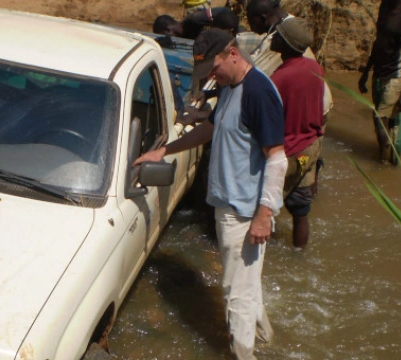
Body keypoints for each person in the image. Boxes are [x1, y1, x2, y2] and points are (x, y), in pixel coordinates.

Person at [134, 29, 286, 360]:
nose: (211, 77)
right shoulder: (231, 87)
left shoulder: (258, 92)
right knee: (247, 286)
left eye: (214, 69)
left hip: (245, 213)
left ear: (233, 53)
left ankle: (244, 355)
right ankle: (266, 339)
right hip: (228, 205)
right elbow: (212, 128)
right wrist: (166, 151)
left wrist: (264, 215)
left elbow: (277, 158)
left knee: (235, 294)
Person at [241, 0, 333, 195]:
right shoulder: (312, 64)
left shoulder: (281, 73)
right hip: (311, 134)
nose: (274, 38)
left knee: (269, 202)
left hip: (294, 140)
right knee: (301, 199)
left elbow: (268, 111)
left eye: (279, 37)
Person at [268, 17, 325, 250]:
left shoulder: (279, 78)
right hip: (310, 147)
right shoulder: (314, 68)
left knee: (262, 206)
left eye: (278, 35)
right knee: (300, 211)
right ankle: (299, 255)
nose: (273, 37)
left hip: (289, 151)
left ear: (287, 44)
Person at [358, 0, 401, 165]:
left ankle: (384, 164)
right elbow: (379, 42)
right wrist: (366, 72)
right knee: (386, 122)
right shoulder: (385, 5)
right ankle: (389, 158)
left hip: (396, 76)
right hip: (379, 73)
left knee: (380, 119)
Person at [152, 7, 240, 40]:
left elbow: (225, 12)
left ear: (167, 30)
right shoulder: (184, 38)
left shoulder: (195, 19)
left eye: (164, 36)